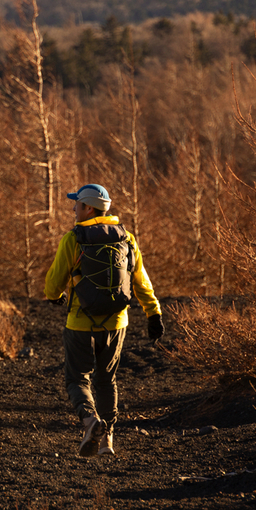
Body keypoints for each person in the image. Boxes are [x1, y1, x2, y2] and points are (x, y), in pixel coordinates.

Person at [44, 183, 164, 458]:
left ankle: (89, 422)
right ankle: (107, 439)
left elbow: (53, 283)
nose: (73, 208)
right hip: (116, 322)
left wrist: (54, 297)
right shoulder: (127, 238)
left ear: (88, 208)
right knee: (106, 381)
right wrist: (153, 312)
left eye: (77, 204)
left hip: (80, 324)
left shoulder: (73, 239)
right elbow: (140, 280)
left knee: (76, 380)